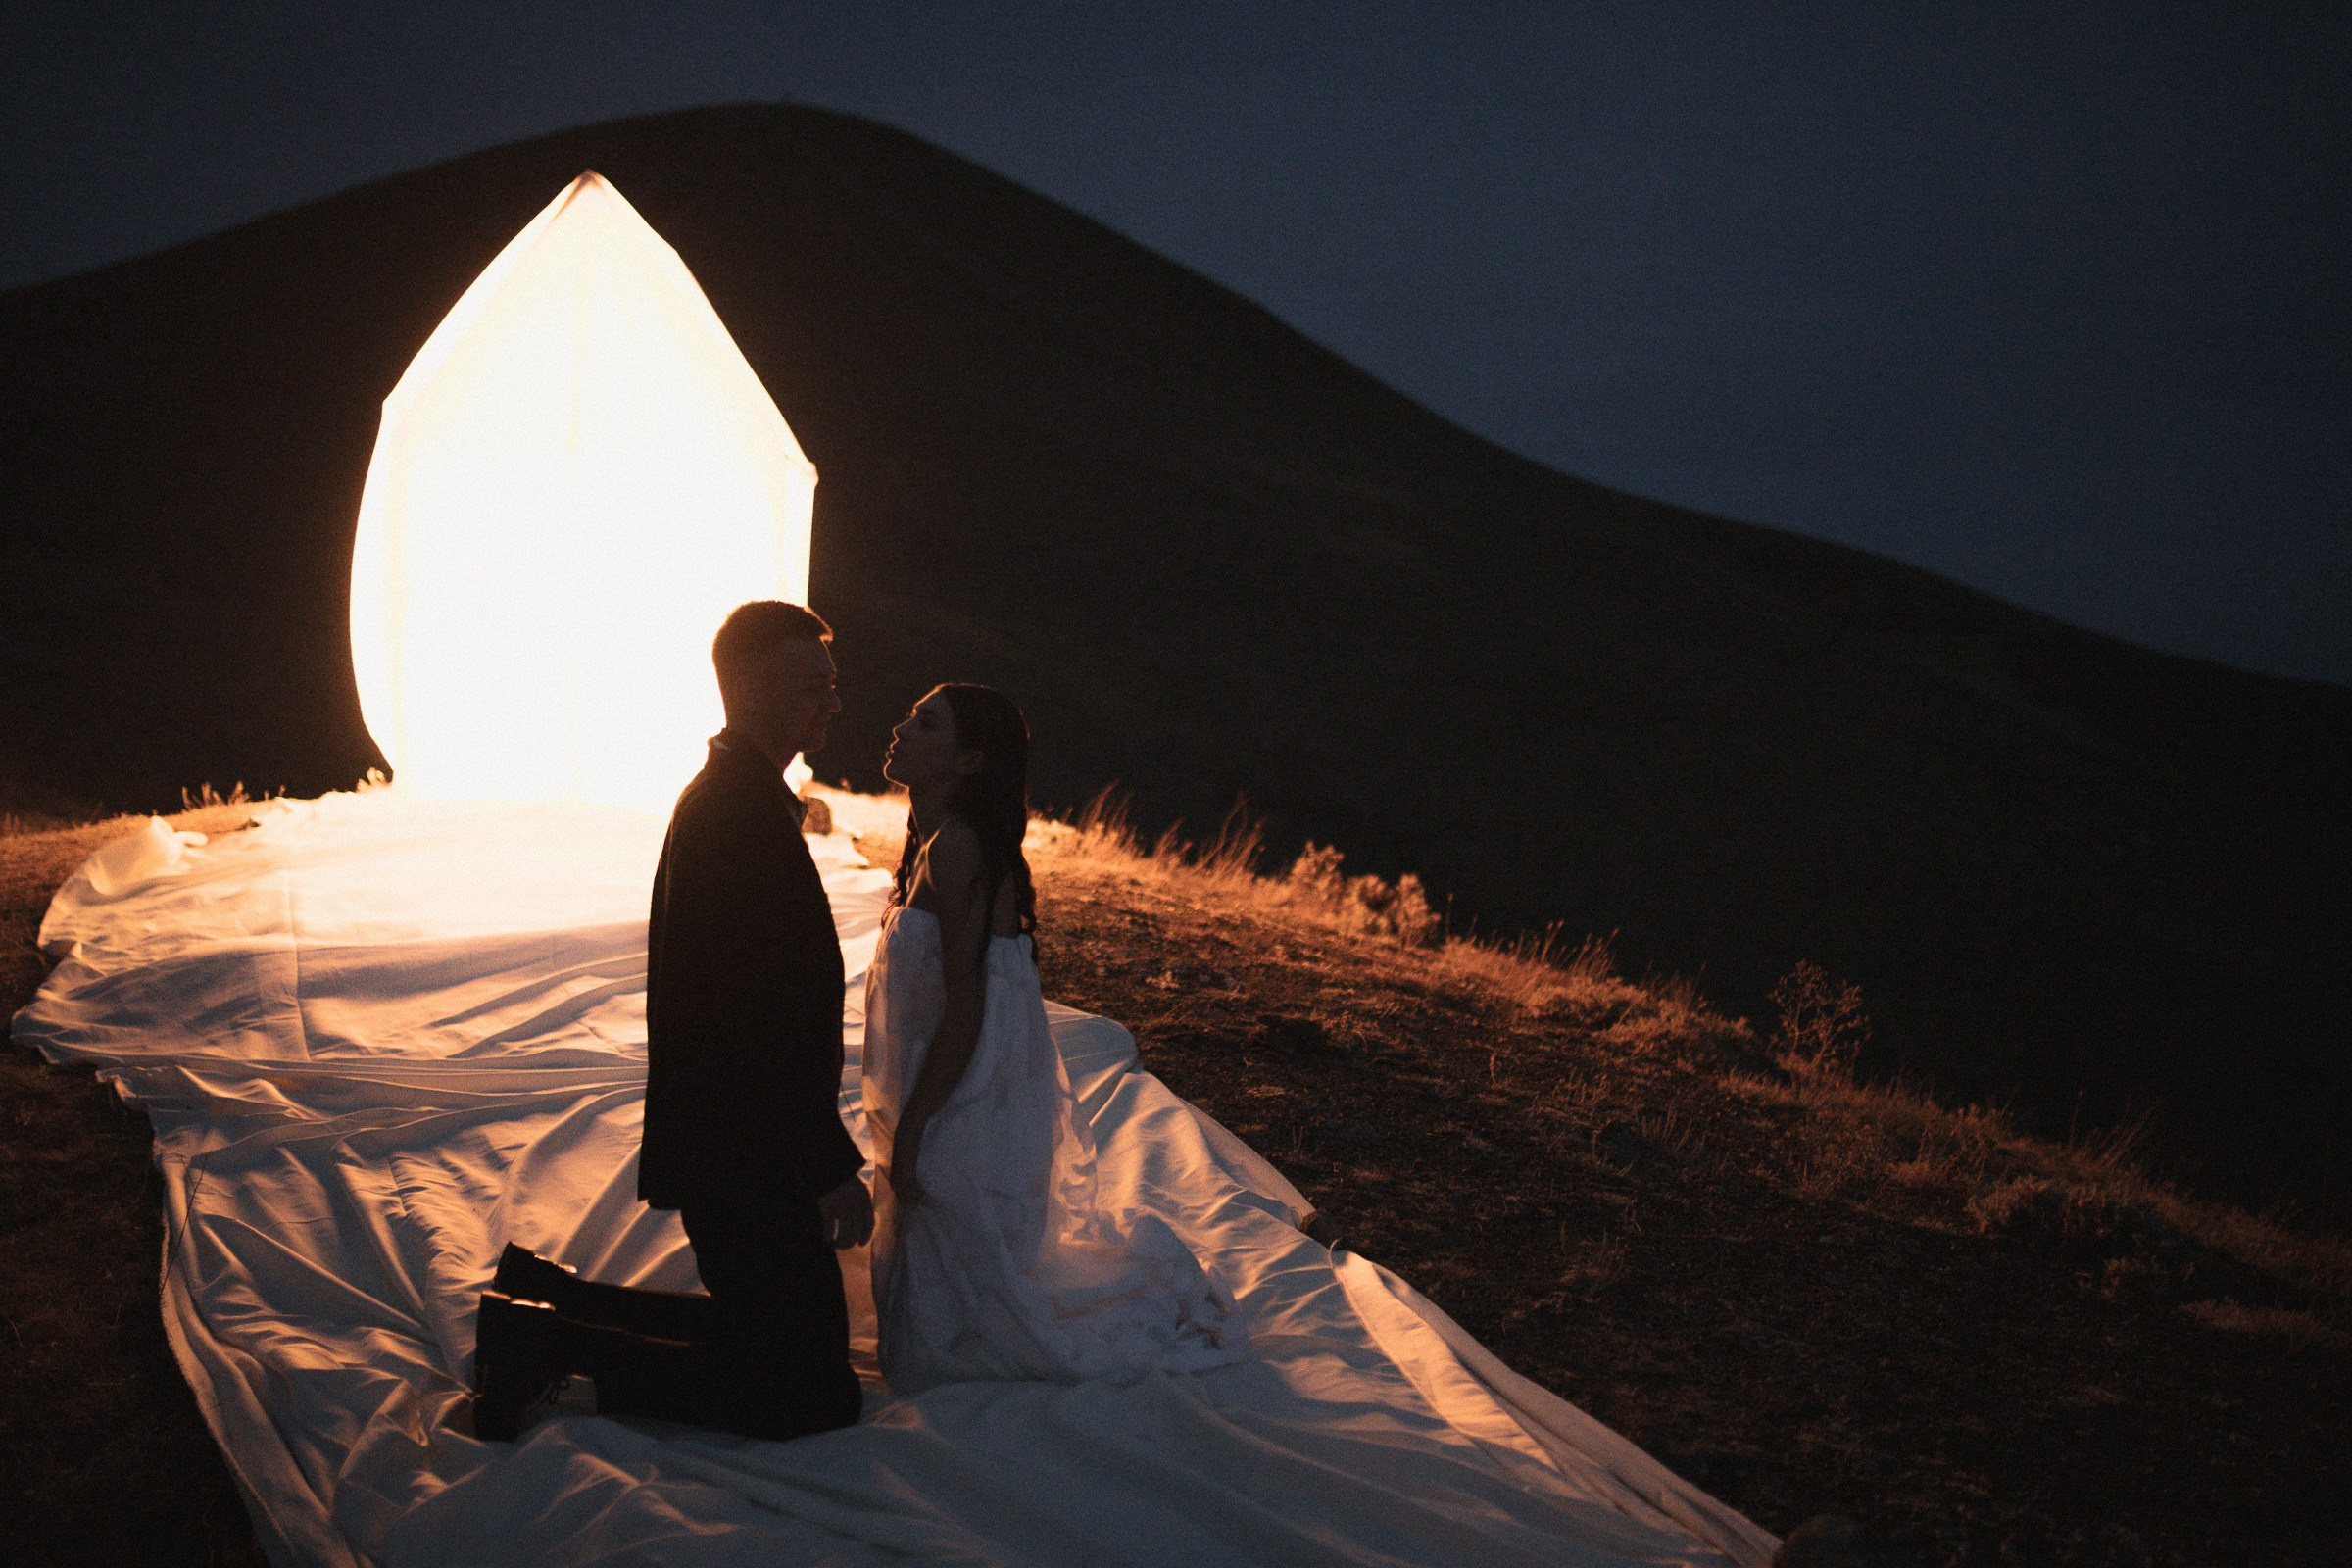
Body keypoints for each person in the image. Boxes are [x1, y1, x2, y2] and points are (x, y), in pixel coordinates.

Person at [471, 601, 873, 1442]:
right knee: (813, 1395)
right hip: (747, 1147)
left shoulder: (739, 796)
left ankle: (549, 1305)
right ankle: (542, 1340)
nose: (834, 701)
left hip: (739, 1139)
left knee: (787, 1347)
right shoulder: (734, 816)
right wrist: (823, 1163)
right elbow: (750, 1020)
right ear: (756, 690)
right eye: (815, 684)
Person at [862, 683, 1245, 1392]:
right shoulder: (935, 840)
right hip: (942, 1069)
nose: (901, 729)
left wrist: (917, 1128)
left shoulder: (959, 849)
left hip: (965, 1082)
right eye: (911, 716)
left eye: (926, 723)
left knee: (957, 1332)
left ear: (970, 760)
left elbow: (968, 1005)